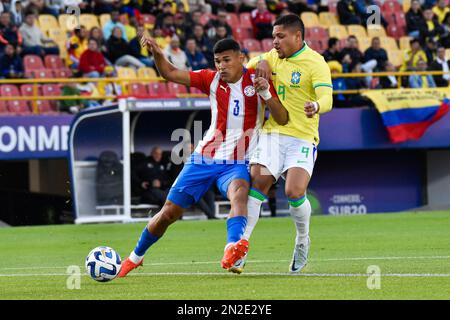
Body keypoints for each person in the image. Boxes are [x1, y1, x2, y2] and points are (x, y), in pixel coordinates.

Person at [117, 37, 289, 278]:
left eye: (227, 60)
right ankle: (136, 257)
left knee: (240, 193)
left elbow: (282, 118)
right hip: (204, 158)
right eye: (217, 61)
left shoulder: (257, 81)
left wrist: (267, 93)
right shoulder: (211, 79)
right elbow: (169, 73)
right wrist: (156, 52)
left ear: (241, 58)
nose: (221, 66)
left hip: (238, 161)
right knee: (169, 213)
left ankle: (232, 248)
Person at [236, 14, 333, 274]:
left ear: (297, 37)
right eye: (273, 36)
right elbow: (244, 67)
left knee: (294, 191)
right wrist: (262, 62)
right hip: (273, 133)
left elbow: (327, 98)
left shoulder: (316, 63)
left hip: (302, 135)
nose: (275, 41)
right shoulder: (270, 56)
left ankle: (302, 240)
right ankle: (241, 246)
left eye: (280, 36)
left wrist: (317, 106)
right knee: (258, 181)